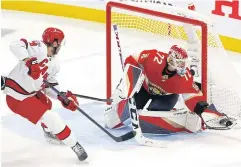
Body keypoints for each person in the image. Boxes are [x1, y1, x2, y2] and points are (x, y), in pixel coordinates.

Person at [104, 45, 233, 134]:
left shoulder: (184, 76)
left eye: (184, 62)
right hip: (144, 89)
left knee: (153, 112)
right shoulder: (154, 58)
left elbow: (192, 96)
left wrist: (202, 109)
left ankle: (174, 118)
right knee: (126, 110)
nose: (183, 65)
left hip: (167, 97)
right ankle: (117, 110)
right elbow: (134, 59)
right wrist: (128, 82)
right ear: (171, 59)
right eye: (180, 62)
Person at [2, 27, 88, 161]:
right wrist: (29, 61)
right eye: (59, 43)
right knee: (52, 118)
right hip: (17, 97)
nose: (60, 46)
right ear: (54, 43)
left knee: (46, 104)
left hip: (31, 93)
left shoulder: (54, 64)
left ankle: (49, 132)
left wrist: (62, 96)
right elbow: (15, 45)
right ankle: (74, 144)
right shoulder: (38, 48)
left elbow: (49, 85)